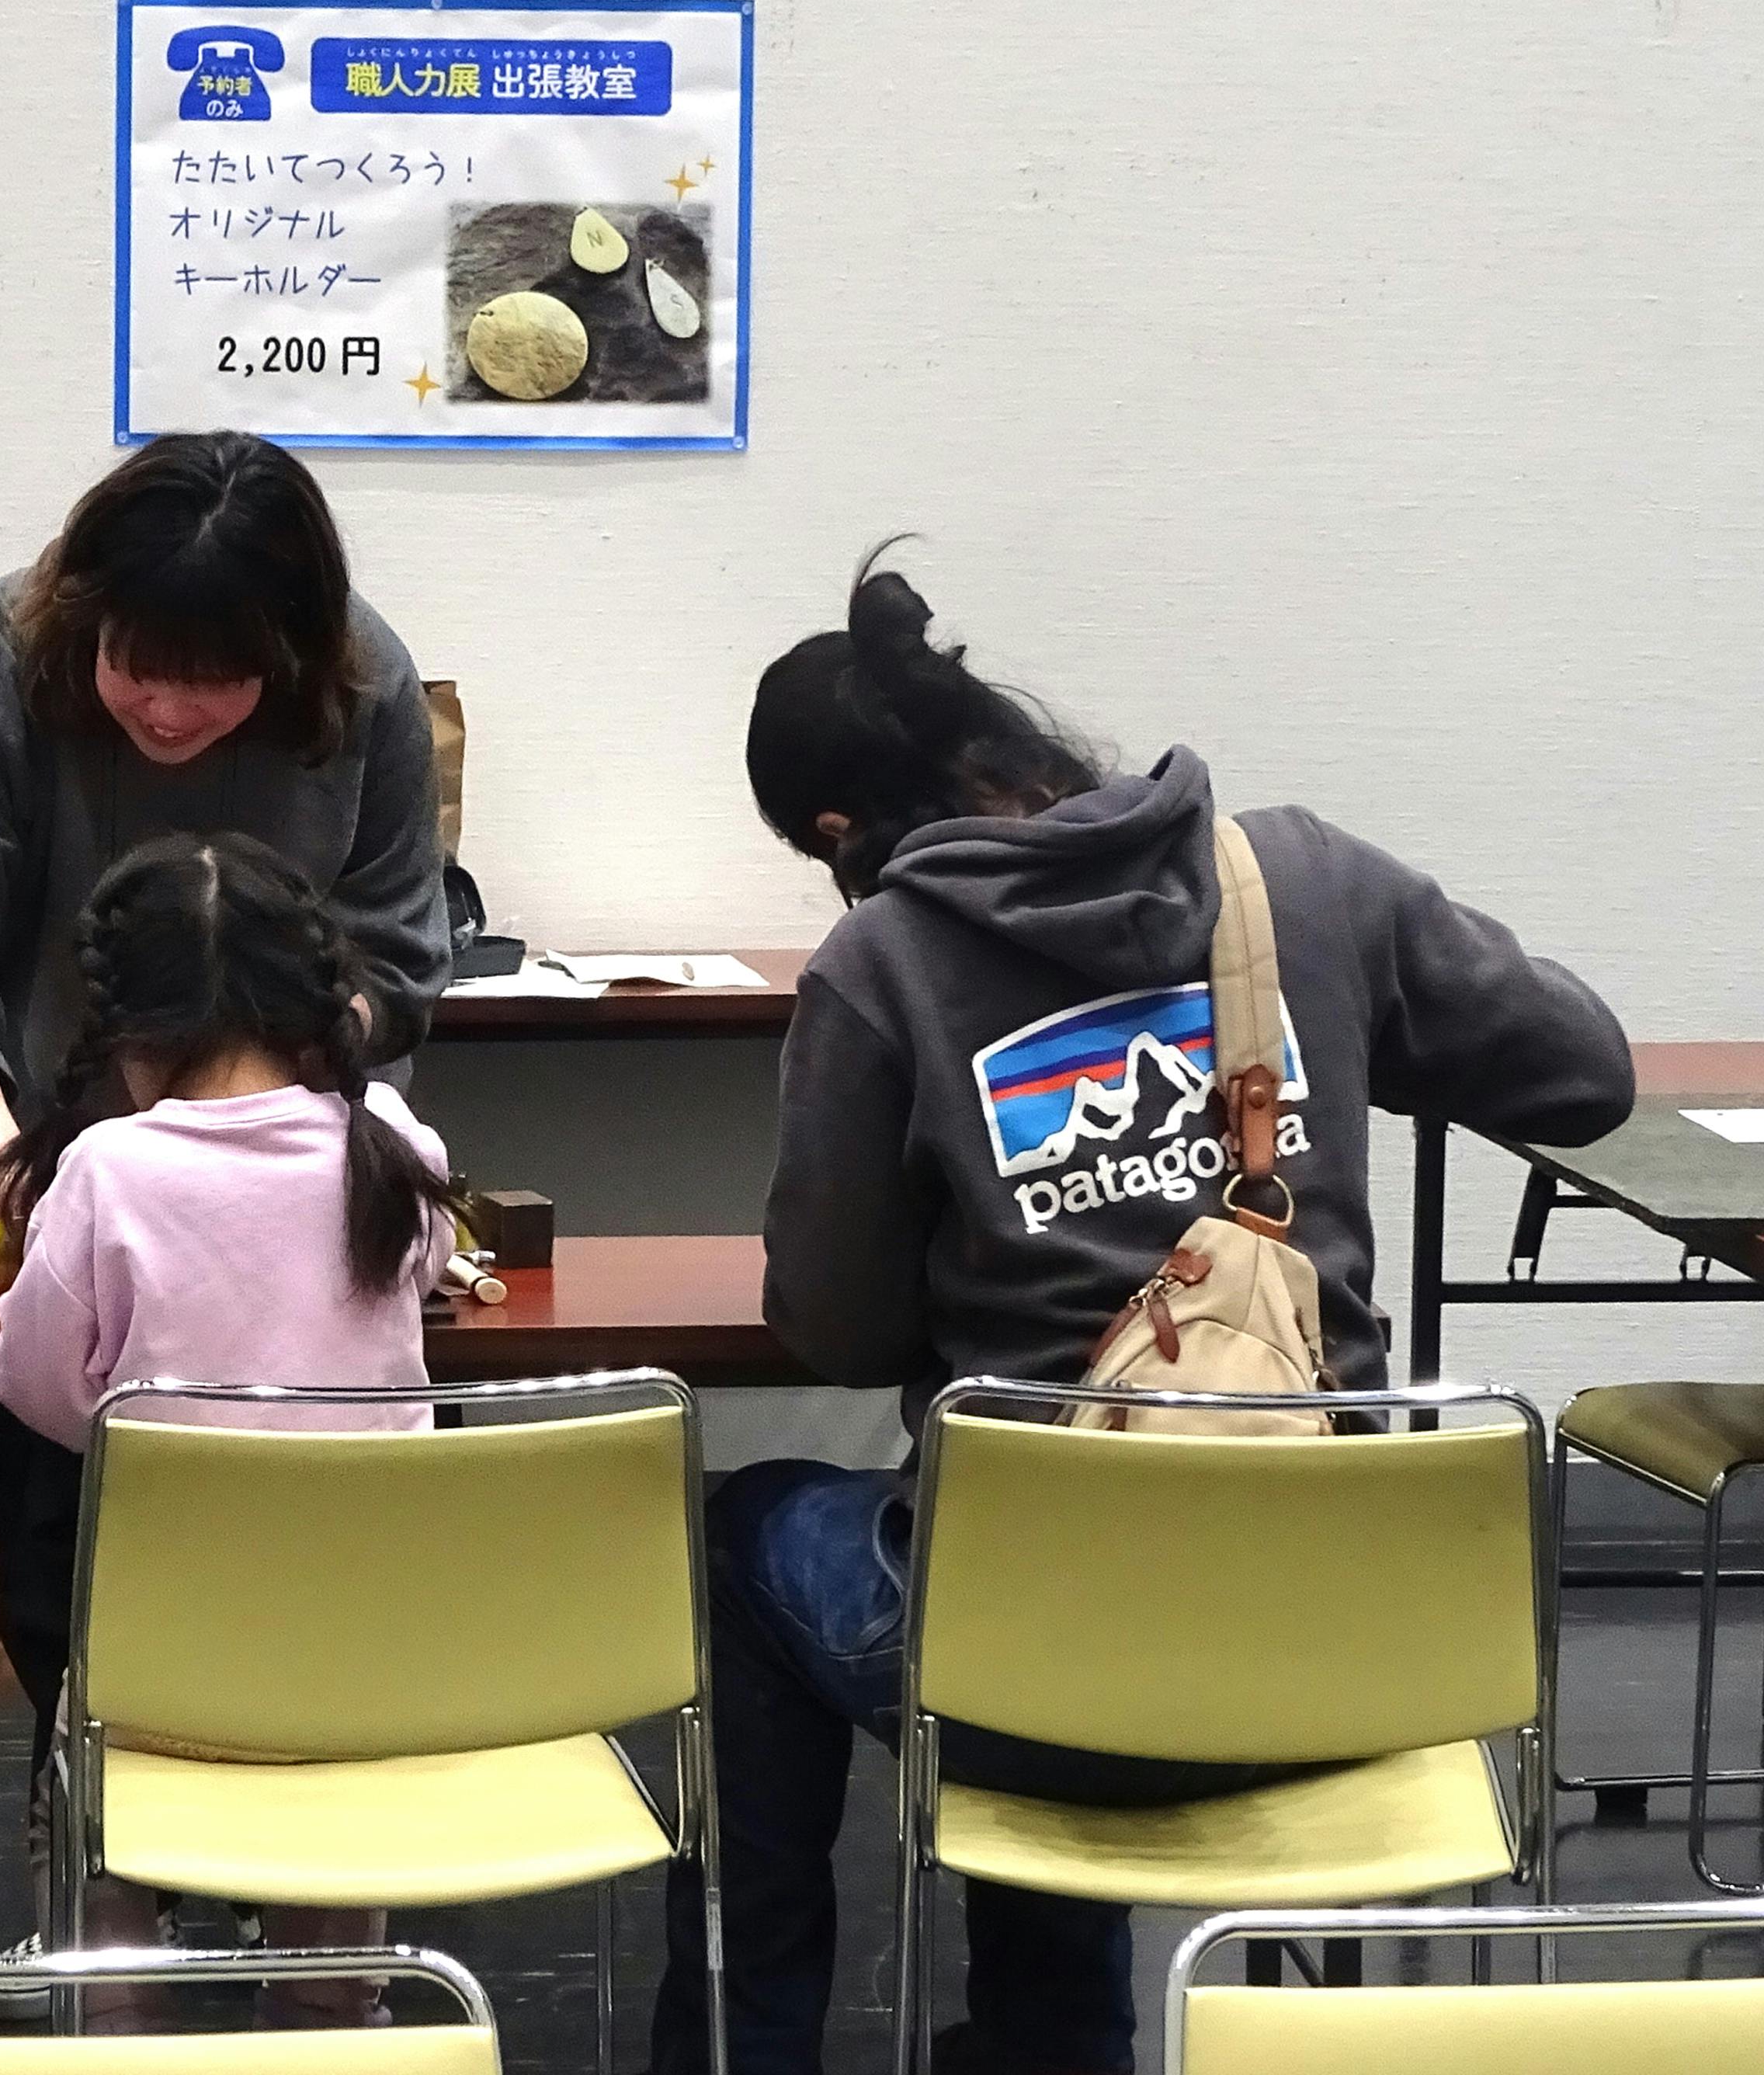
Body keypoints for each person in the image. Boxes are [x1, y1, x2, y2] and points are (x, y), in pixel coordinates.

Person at [644, 546, 1637, 2075]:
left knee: (764, 1534)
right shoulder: (1301, 878)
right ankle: (1047, 2039)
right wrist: (1317, 1050)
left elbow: (833, 1333)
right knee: (1060, 1542)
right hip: (1359, 1653)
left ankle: (762, 2052)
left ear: (838, 833)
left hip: (1042, 1675)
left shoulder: (882, 965)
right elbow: (1584, 1073)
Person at [0, 429, 450, 1997]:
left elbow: (405, 956)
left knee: (171, 1583)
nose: (174, 712)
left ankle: (150, 1941)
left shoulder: (372, 684)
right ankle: (156, 1911)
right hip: (52, 1153)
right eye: (140, 669)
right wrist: (19, 1170)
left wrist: (279, 1108)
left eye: (222, 680)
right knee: (74, 1602)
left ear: (296, 656)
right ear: (85, 623)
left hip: (280, 1149)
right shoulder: (9, 653)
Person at [0, 830, 463, 2029]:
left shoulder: (106, 1171)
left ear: (127, 1031)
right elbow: (419, 1283)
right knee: (334, 1807)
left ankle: (116, 2014)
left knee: (90, 1777)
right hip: (376, 1664)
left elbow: (33, 1383)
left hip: (160, 1670)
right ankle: (333, 2012)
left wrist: (152, 1426)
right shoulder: (394, 1146)